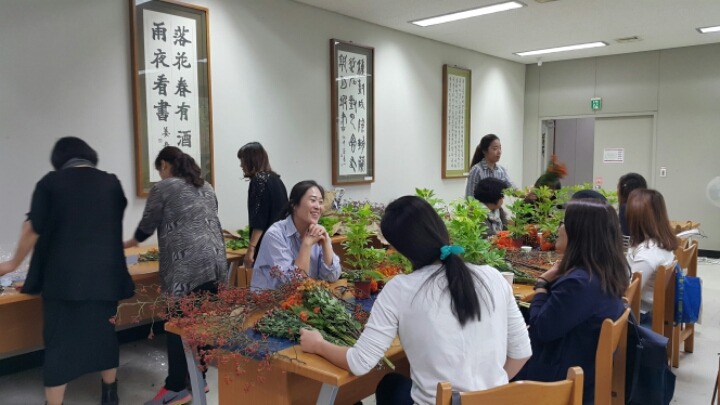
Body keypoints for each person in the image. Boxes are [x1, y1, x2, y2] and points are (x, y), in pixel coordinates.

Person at [299, 196, 531, 405]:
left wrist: (318, 344)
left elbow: (360, 362)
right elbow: (522, 352)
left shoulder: (400, 289)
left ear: (398, 249)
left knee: (390, 385)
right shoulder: (493, 276)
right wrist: (482, 395)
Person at [0, 137, 134, 405]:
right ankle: (110, 394)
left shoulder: (50, 183)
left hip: (64, 280)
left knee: (59, 344)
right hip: (105, 277)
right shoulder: (111, 183)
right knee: (104, 336)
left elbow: (32, 228)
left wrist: (12, 264)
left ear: (59, 159)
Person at [124, 146, 228, 405]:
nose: (160, 175)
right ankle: (199, 379)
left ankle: (175, 388)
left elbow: (148, 225)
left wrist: (129, 243)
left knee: (177, 326)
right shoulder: (206, 186)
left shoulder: (164, 187)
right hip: (216, 264)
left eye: (160, 169)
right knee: (202, 324)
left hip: (186, 268)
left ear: (165, 165)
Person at [514, 199, 629, 403]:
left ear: (580, 233)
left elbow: (540, 329)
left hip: (557, 376)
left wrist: (542, 284)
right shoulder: (603, 271)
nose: (559, 228)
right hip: (581, 366)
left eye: (564, 222)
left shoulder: (579, 283)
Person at [251, 180, 341, 290]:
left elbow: (331, 277)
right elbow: (293, 284)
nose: (318, 207)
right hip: (271, 299)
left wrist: (326, 243)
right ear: (294, 204)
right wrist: (306, 244)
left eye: (320, 202)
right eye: (313, 200)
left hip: (305, 298)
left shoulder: (317, 232)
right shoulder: (275, 234)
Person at [625, 189, 678, 324]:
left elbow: (629, 293)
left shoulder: (648, 253)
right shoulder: (659, 243)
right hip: (647, 307)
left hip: (639, 312)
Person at [237, 142, 288, 270]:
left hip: (265, 245)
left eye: (243, 161)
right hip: (280, 242)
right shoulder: (276, 179)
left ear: (251, 161)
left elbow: (259, 220)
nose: (241, 165)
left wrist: (251, 249)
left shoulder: (258, 181)